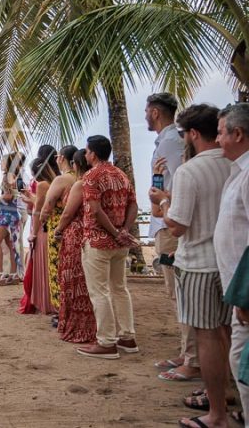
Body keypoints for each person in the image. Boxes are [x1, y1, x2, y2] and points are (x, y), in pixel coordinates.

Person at [148, 104, 231, 428]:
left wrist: (164, 201)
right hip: (228, 260)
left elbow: (178, 225)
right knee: (227, 334)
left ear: (194, 134)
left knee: (207, 337)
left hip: (198, 261)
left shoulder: (190, 170)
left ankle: (216, 412)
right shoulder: (233, 163)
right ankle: (225, 395)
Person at [145, 93, 198, 379]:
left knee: (180, 294)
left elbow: (178, 183)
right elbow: (163, 183)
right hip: (164, 220)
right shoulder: (166, 141)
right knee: (175, 293)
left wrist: (165, 203)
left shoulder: (170, 142)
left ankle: (192, 356)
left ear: (154, 112)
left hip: (170, 224)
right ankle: (187, 351)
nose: (145, 116)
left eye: (146, 111)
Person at [76, 135, 139, 359]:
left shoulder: (91, 176)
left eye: (86, 151)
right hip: (119, 243)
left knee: (100, 292)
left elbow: (94, 209)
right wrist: (124, 231)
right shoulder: (121, 175)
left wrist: (113, 232)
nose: (85, 155)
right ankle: (127, 336)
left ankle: (106, 341)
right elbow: (133, 204)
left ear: (92, 153)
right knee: (120, 288)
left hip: (98, 240)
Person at [213, 102, 249, 419]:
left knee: (242, 360)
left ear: (238, 133)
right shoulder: (237, 173)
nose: (218, 138)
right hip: (238, 290)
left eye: (221, 132)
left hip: (246, 293)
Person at [53, 149, 97, 344]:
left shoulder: (81, 184)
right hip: (87, 231)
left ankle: (77, 325)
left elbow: (68, 213)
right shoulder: (94, 181)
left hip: (74, 234)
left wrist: (58, 230)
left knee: (73, 281)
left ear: (76, 165)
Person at [20, 150, 58, 314]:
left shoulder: (42, 185)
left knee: (40, 265)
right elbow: (42, 203)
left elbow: (38, 211)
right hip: (51, 226)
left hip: (43, 228)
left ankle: (43, 301)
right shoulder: (54, 182)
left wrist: (33, 233)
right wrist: (32, 199)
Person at [41, 145, 78, 314]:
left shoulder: (62, 179)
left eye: (57, 156)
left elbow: (47, 205)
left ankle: (61, 310)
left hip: (59, 227)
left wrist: (42, 219)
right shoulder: (80, 177)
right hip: (77, 229)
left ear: (61, 158)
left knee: (57, 269)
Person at [0, 153, 24, 286]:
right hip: (13, 214)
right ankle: (13, 276)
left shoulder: (8, 176)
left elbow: (8, 197)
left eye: (2, 161)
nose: (1, 164)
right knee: (10, 245)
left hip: (6, 215)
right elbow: (11, 195)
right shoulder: (14, 176)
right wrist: (0, 196)